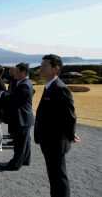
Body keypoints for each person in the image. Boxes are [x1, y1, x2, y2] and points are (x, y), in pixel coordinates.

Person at [34, 54, 80, 197]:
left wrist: (70, 134)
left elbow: (70, 116)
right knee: (54, 177)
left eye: (44, 66)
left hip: (55, 142)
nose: (40, 69)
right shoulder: (49, 86)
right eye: (41, 65)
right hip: (48, 141)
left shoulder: (60, 88)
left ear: (55, 69)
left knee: (59, 177)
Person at [0, 63, 34, 171]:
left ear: (24, 73)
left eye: (17, 72)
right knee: (25, 142)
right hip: (24, 117)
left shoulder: (24, 84)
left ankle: (15, 164)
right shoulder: (25, 82)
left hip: (22, 118)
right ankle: (25, 160)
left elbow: (12, 98)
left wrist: (2, 94)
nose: (14, 74)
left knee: (19, 143)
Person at [4, 66, 17, 145]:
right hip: (10, 102)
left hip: (13, 103)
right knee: (11, 121)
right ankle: (12, 134)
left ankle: (14, 138)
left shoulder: (16, 80)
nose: (9, 71)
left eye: (11, 70)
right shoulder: (12, 78)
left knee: (14, 121)